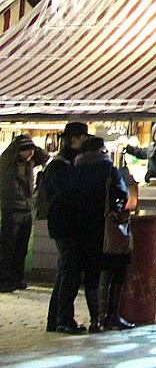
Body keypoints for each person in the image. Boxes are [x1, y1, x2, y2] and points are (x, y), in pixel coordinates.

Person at [66, 137, 133, 331]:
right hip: (106, 227)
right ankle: (112, 315)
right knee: (117, 270)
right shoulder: (108, 169)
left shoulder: (76, 170)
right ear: (101, 150)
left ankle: (95, 319)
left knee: (91, 274)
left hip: (83, 229)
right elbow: (122, 194)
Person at [38, 121, 88, 333]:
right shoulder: (61, 164)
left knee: (66, 270)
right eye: (84, 138)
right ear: (75, 139)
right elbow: (66, 194)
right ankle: (63, 320)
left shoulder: (67, 162)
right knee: (70, 271)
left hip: (65, 223)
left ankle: (57, 319)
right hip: (64, 223)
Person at [0, 134, 43, 291]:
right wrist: (20, 145)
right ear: (19, 150)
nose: (31, 154)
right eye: (27, 151)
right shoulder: (8, 162)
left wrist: (32, 147)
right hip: (11, 208)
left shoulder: (29, 163)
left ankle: (17, 278)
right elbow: (7, 156)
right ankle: (4, 279)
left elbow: (43, 157)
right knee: (8, 246)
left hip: (26, 208)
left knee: (21, 247)